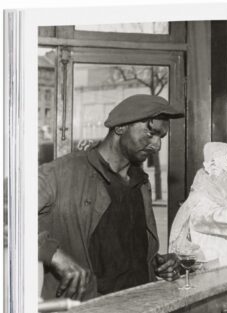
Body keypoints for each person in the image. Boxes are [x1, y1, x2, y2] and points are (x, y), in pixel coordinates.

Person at [38, 94, 184, 301]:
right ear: (120, 127)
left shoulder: (140, 182)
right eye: (151, 133)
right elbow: (9, 218)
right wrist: (54, 255)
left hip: (138, 307)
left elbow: (116, 249)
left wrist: (155, 263)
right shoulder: (61, 173)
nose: (157, 145)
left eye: (161, 137)